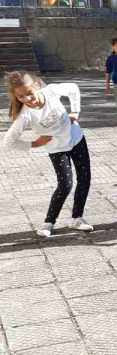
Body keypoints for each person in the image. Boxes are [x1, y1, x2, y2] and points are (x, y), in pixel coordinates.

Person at [3, 71, 94, 237]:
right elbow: (9, 141)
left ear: (37, 86)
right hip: (57, 149)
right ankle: (49, 222)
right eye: (21, 97)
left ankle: (77, 218)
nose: (27, 99)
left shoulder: (50, 91)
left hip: (76, 139)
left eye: (30, 94)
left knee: (84, 178)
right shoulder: (25, 116)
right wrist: (34, 143)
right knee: (65, 184)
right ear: (16, 96)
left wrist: (75, 112)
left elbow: (73, 88)